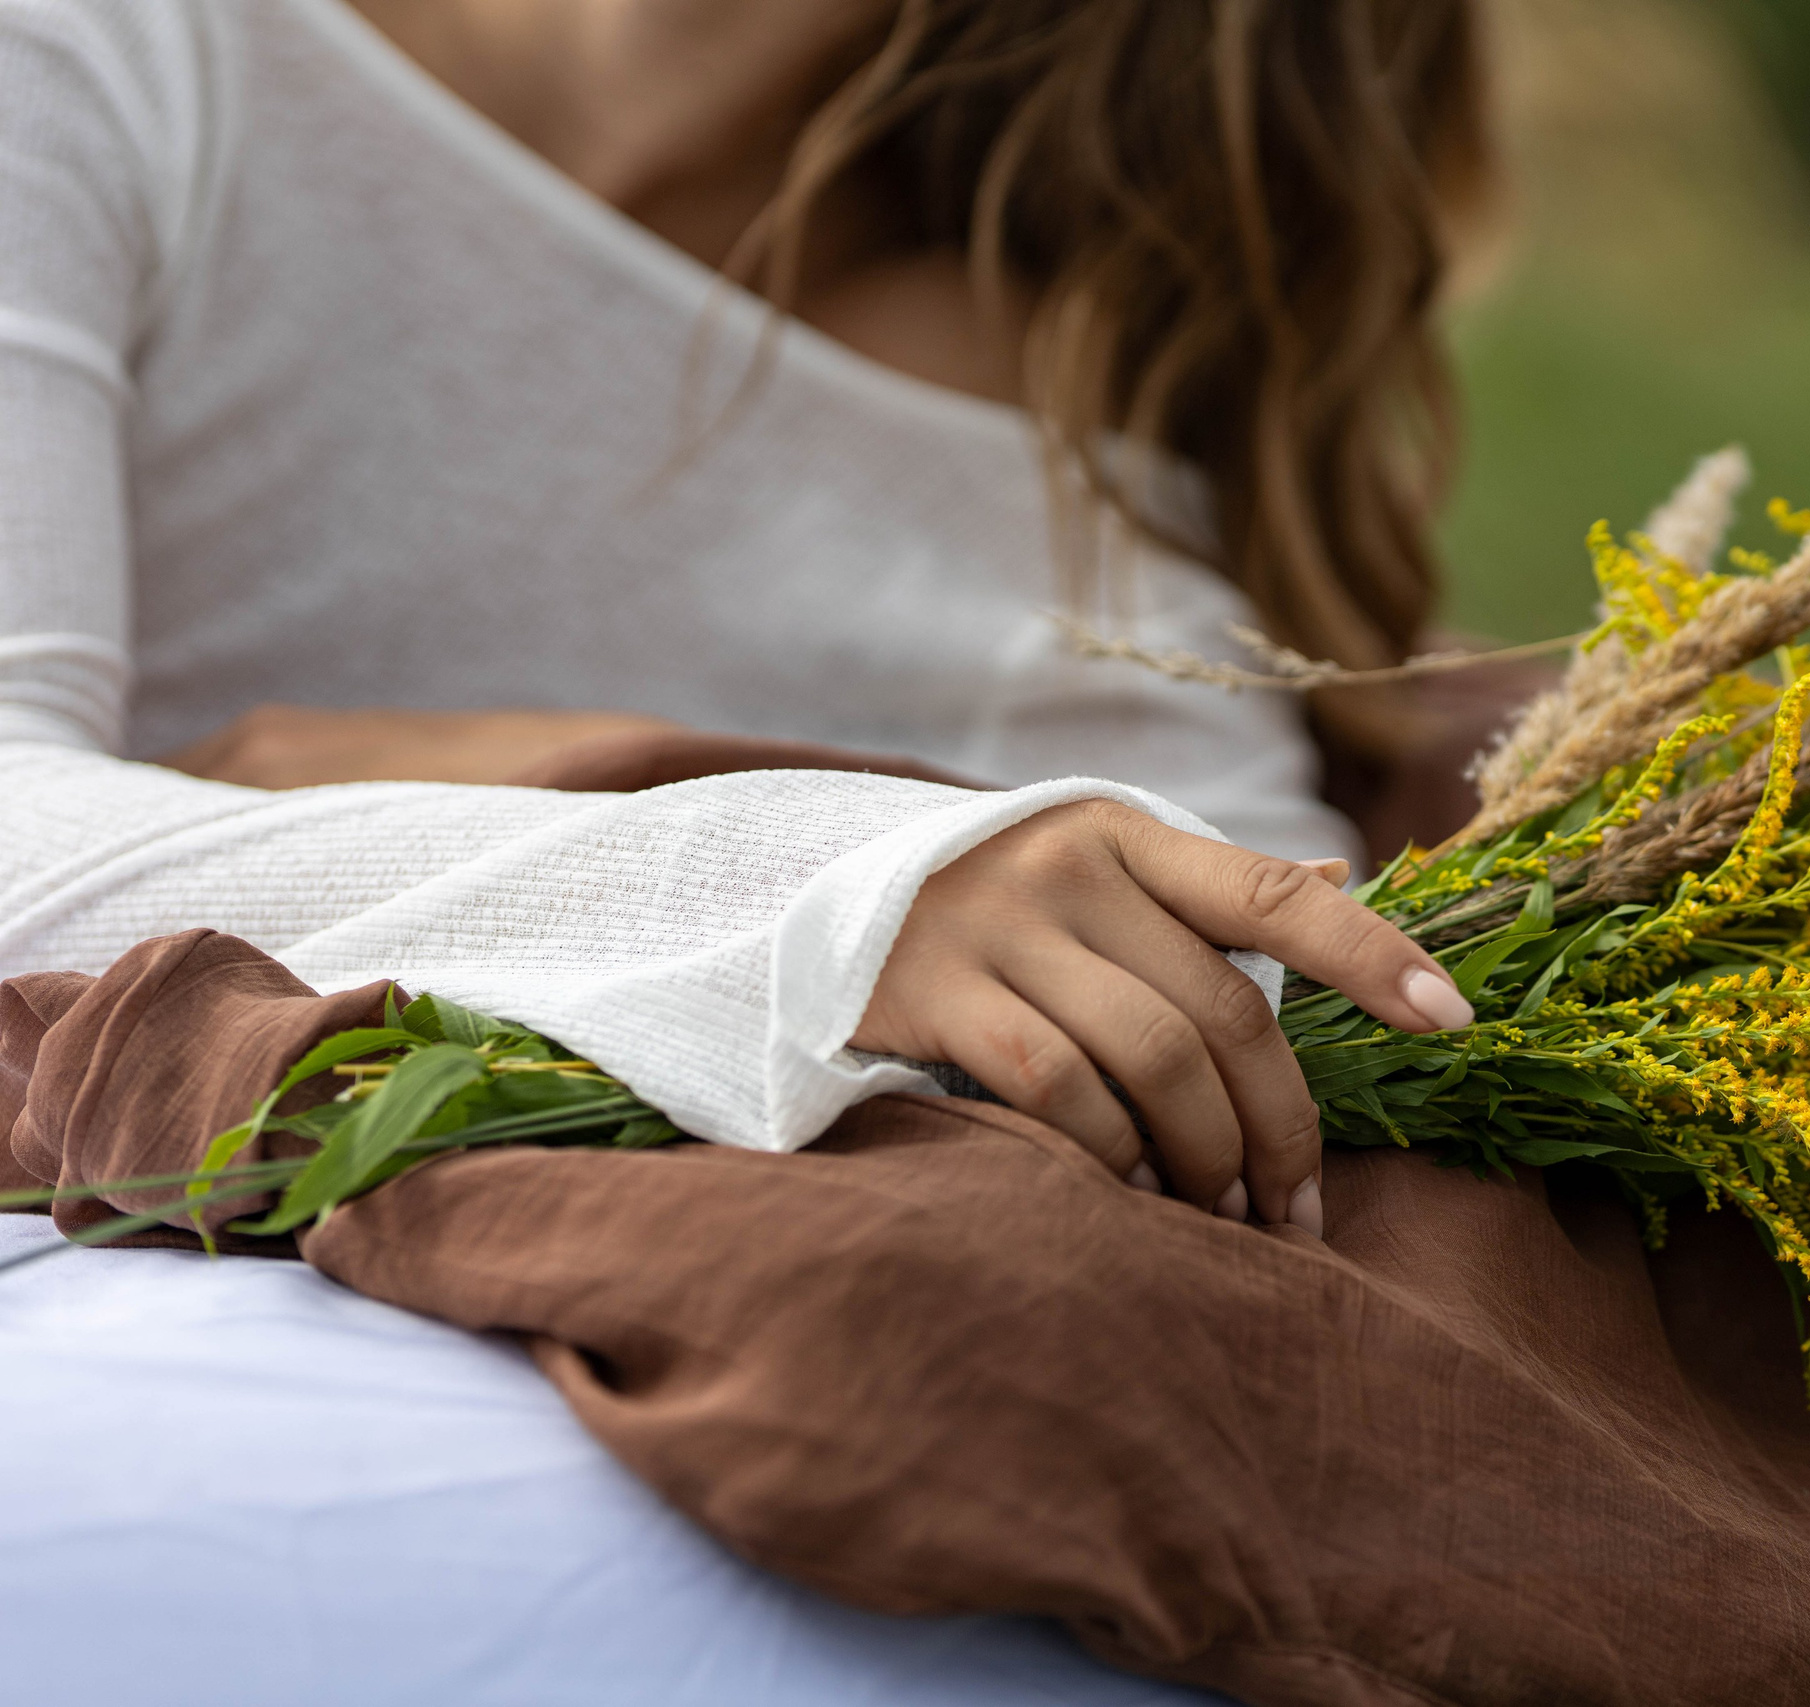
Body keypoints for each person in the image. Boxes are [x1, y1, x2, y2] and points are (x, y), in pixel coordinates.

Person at [0, 0, 1496, 1241]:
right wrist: (781, 883)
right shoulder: (109, 53)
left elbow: (1264, 1011)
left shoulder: (1068, 343)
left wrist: (537, 763)